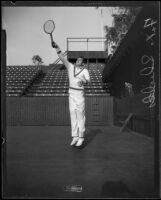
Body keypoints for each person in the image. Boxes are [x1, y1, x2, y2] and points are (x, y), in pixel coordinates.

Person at [52, 41, 91, 147]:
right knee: (73, 115)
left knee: (80, 116)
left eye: (80, 60)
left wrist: (82, 81)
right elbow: (62, 58)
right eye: (77, 59)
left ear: (82, 63)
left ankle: (81, 137)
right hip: (71, 94)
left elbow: (88, 81)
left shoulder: (85, 71)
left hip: (79, 95)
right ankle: (75, 137)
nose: (78, 60)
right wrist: (57, 48)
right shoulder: (70, 67)